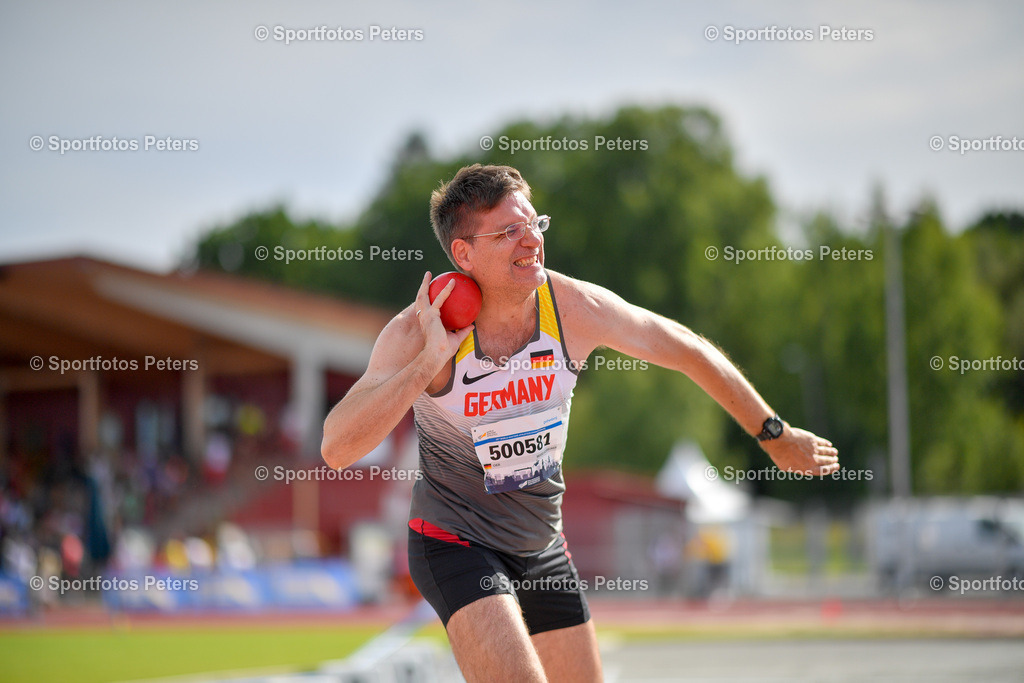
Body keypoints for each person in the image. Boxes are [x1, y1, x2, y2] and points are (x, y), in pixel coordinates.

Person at [322, 164, 840, 682]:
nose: (532, 240)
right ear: (464, 253)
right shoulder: (420, 329)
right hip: (457, 542)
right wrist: (426, 364)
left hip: (542, 546)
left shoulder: (572, 309)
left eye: (535, 223)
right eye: (509, 231)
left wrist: (773, 433)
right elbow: (337, 448)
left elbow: (688, 349)